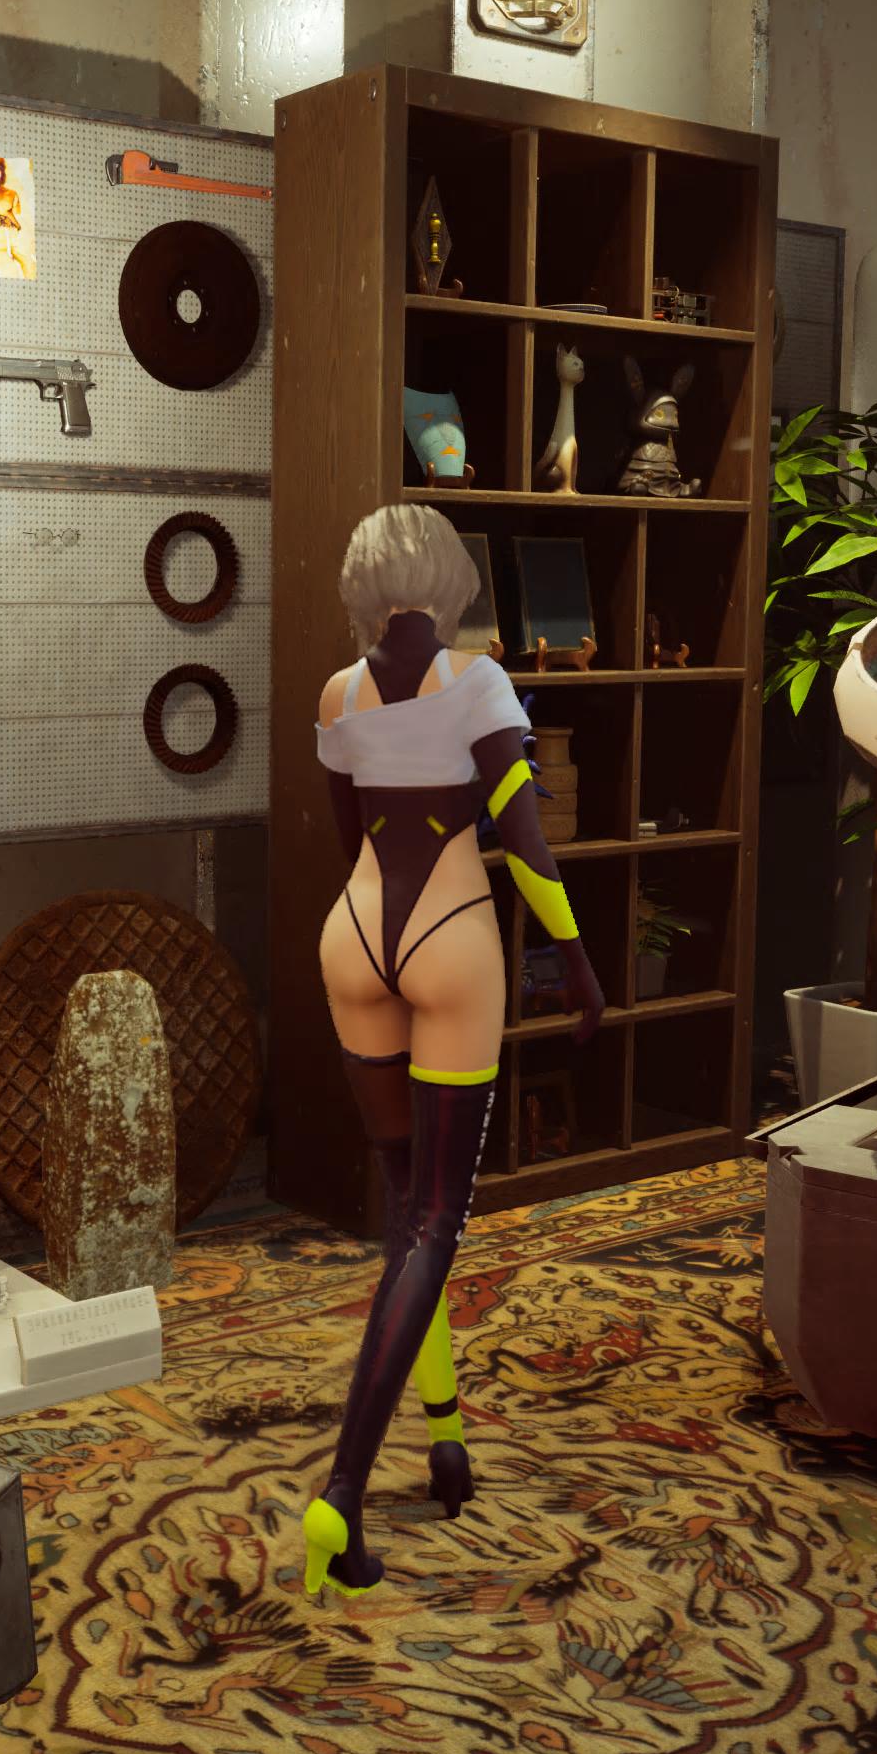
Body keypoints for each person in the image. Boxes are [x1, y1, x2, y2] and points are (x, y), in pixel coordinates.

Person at [299, 503, 600, 1602]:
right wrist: (577, 961)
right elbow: (525, 842)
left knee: (404, 1217)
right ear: (449, 582)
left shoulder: (337, 695)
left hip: (354, 937)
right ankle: (340, 1494)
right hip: (451, 939)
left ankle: (445, 1434)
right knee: (435, 1221)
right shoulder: (480, 684)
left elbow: (350, 834)